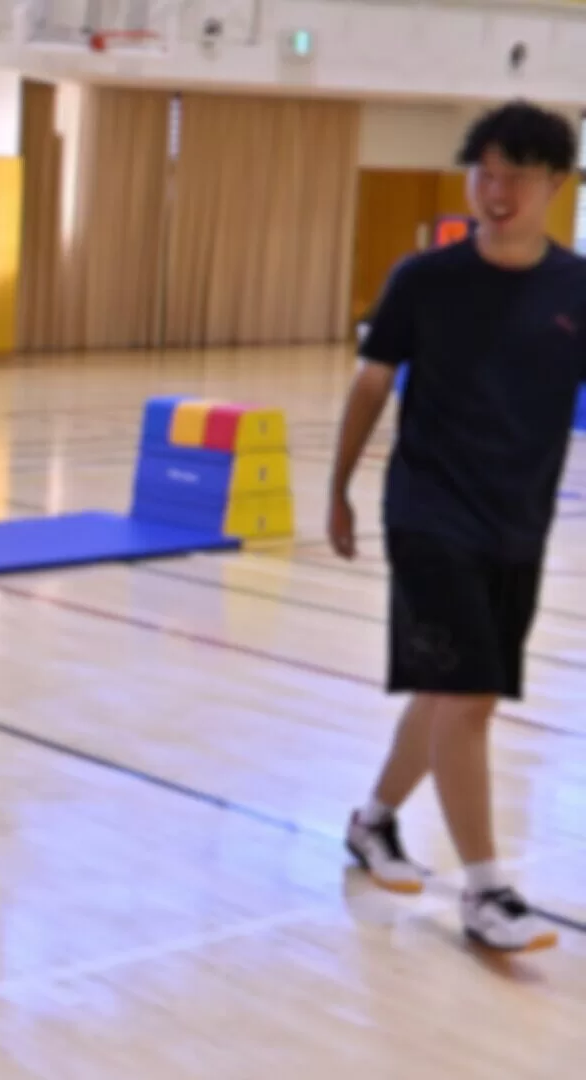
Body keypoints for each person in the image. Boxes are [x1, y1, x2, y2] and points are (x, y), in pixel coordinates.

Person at [331, 99, 581, 954]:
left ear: (557, 184)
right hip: (429, 512)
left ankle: (372, 822)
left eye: (518, 176)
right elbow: (372, 383)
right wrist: (338, 488)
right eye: (485, 173)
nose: (497, 191)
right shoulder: (424, 278)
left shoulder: (576, 290)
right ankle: (486, 892)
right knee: (470, 696)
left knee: (446, 691)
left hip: (518, 521)